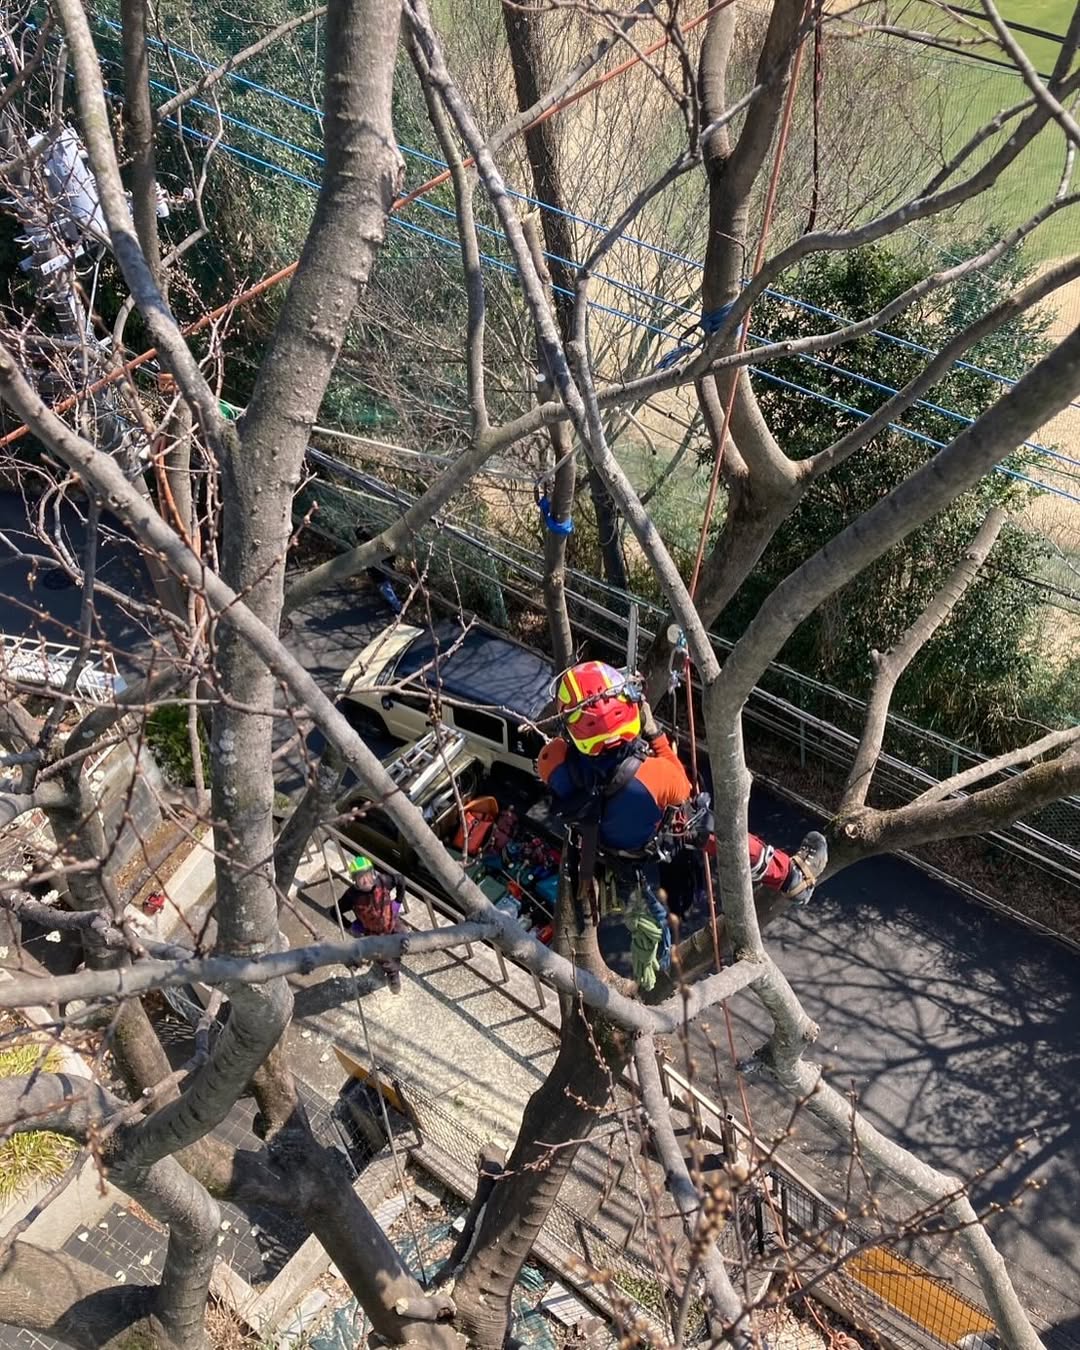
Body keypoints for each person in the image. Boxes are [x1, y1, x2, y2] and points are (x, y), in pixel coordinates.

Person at [537, 660, 827, 985]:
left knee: (649, 922)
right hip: (656, 834)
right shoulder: (652, 777)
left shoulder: (552, 763)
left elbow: (570, 749)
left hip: (611, 854)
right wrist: (655, 735)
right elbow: (683, 785)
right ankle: (791, 876)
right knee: (713, 829)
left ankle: (656, 977)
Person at [337, 854, 406, 994]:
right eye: (360, 877)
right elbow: (335, 912)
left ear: (373, 873)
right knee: (385, 958)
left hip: (391, 920)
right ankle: (393, 975)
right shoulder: (352, 896)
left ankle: (397, 956)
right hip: (374, 933)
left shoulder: (383, 881)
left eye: (368, 875)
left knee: (404, 938)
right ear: (354, 880)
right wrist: (350, 926)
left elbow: (400, 879)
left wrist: (398, 901)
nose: (365, 880)